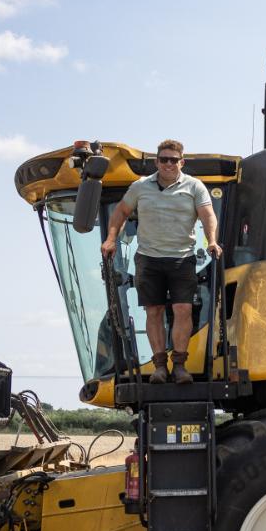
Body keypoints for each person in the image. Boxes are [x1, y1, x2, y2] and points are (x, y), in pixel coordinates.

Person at [102, 139, 220, 384]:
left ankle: (179, 365)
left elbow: (208, 215)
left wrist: (212, 241)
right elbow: (121, 212)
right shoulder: (140, 187)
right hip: (148, 259)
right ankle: (159, 367)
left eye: (173, 160)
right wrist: (111, 238)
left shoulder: (194, 186)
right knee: (153, 310)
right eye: (164, 159)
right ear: (157, 161)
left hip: (182, 258)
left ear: (181, 162)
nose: (168, 164)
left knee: (182, 309)